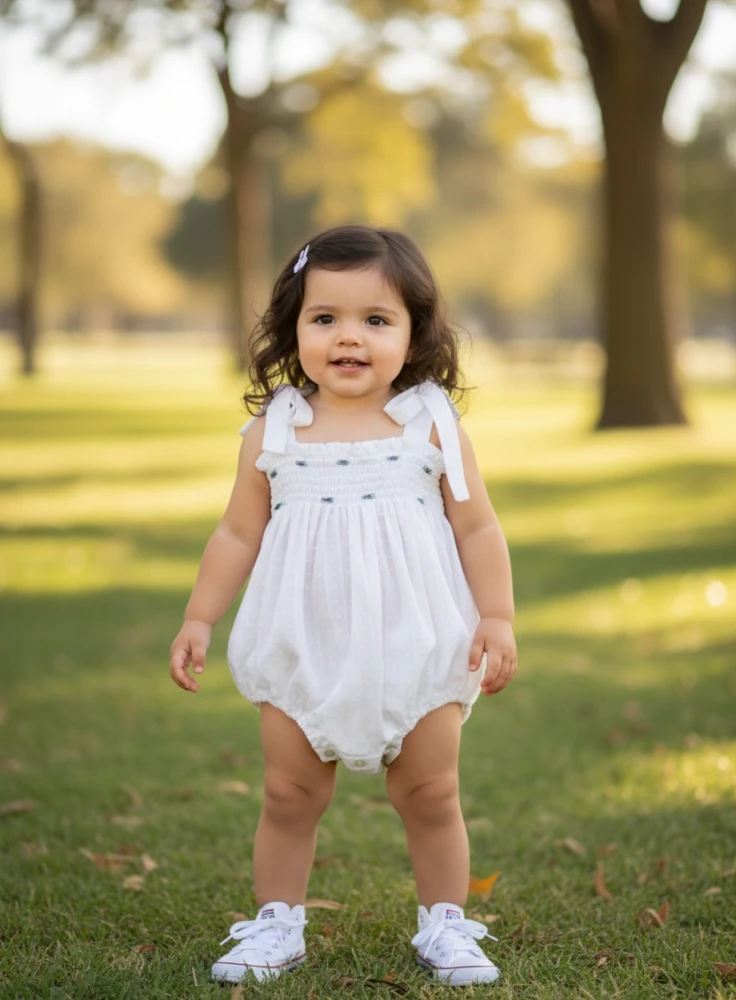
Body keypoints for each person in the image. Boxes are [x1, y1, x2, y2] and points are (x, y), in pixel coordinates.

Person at [169, 225, 516, 987]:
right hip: (302, 641)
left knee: (431, 792)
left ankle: (446, 923)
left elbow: (478, 527)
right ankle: (276, 923)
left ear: (415, 334)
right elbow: (237, 533)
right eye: (325, 318)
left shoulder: (432, 424)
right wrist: (199, 617)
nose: (348, 337)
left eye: (376, 319)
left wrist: (496, 615)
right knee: (289, 792)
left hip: (420, 642)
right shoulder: (275, 430)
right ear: (292, 328)